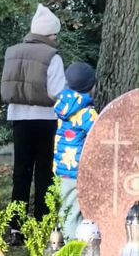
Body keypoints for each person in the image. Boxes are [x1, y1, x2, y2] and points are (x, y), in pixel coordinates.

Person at [0, 4, 66, 245]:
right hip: (46, 118)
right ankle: (41, 222)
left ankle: (15, 227)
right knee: (44, 172)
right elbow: (57, 90)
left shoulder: (12, 52)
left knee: (21, 172)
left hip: (19, 116)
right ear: (49, 34)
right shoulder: (52, 56)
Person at [53, 62, 97, 241]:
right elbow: (99, 135)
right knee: (74, 212)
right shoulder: (87, 113)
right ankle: (72, 245)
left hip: (61, 166)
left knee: (66, 208)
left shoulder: (63, 107)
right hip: (77, 170)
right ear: (92, 87)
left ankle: (62, 240)